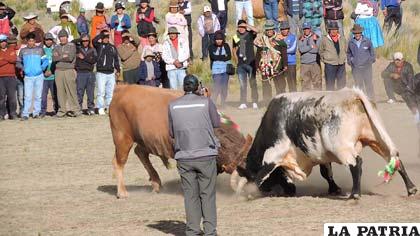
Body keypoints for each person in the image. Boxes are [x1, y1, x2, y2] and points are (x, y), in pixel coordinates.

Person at [168, 74, 220, 236]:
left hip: (184, 156)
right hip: (206, 154)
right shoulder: (206, 102)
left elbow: (171, 132)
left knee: (190, 196)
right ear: (198, 87)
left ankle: (192, 230)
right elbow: (216, 122)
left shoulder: (173, 105)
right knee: (207, 195)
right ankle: (210, 231)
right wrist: (206, 99)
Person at [254, 20, 288, 102]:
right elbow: (258, 53)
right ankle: (267, 101)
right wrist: (257, 66)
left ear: (273, 29)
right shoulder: (262, 39)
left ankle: (281, 101)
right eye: (268, 30)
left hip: (277, 65)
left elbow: (284, 53)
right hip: (265, 65)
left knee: (280, 85)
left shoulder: (279, 39)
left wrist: (285, 65)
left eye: (271, 29)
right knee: (266, 85)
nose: (269, 31)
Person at [17, 33, 48, 121]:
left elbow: (45, 61)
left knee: (38, 96)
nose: (31, 42)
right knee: (27, 96)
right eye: (29, 41)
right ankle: (25, 114)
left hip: (39, 76)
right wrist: (23, 69)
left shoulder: (40, 50)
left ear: (35, 41)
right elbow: (18, 62)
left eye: (33, 40)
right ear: (27, 41)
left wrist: (41, 68)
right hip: (28, 76)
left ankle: (36, 113)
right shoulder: (23, 51)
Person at [232, 20, 259, 109]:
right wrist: (236, 61)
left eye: (243, 27)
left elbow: (257, 30)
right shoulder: (236, 37)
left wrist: (247, 25)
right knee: (242, 84)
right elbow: (234, 49)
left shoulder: (250, 34)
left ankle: (254, 101)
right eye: (239, 27)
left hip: (250, 63)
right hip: (241, 64)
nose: (241, 29)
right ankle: (243, 102)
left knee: (253, 83)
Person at [93, 30, 120, 115]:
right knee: (101, 92)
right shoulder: (99, 46)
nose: (105, 39)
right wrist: (101, 34)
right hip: (101, 73)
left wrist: (118, 70)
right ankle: (100, 108)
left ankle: (109, 107)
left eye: (107, 38)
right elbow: (93, 41)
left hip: (111, 73)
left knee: (110, 92)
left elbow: (116, 59)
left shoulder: (112, 47)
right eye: (104, 38)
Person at [53, 29, 79, 118]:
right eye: (60, 37)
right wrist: (63, 56)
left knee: (71, 90)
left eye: (64, 37)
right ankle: (62, 110)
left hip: (69, 70)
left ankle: (75, 110)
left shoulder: (72, 46)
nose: (62, 39)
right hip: (58, 71)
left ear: (67, 37)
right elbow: (54, 58)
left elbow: (70, 58)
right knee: (60, 92)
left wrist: (60, 56)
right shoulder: (56, 47)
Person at [346, 24, 376, 100]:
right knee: (358, 85)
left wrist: (371, 60)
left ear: (361, 33)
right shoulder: (351, 42)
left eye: (358, 33)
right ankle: (361, 100)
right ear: (353, 33)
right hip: (356, 68)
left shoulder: (367, 41)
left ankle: (371, 99)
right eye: (355, 33)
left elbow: (372, 52)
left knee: (368, 84)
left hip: (367, 68)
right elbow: (348, 53)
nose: (357, 34)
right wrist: (350, 61)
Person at [319, 21, 346, 91]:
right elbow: (320, 51)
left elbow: (346, 49)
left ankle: (341, 100)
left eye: (335, 29)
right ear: (329, 30)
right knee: (330, 85)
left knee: (342, 85)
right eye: (332, 29)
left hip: (341, 64)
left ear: (337, 30)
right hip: (330, 64)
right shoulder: (324, 39)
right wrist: (325, 59)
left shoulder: (342, 38)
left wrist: (343, 57)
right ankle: (331, 101)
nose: (334, 31)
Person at [74, 33, 97, 115]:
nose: (85, 42)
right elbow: (72, 42)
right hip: (80, 73)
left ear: (89, 41)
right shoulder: (77, 49)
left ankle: (91, 108)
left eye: (87, 40)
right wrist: (80, 39)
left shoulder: (93, 50)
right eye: (83, 41)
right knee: (79, 92)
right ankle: (79, 108)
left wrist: (84, 58)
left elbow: (94, 60)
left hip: (90, 73)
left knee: (90, 92)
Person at [209, 30, 231, 108]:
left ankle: (223, 103)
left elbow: (229, 57)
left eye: (220, 39)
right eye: (217, 39)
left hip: (225, 70)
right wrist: (223, 57)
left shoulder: (226, 46)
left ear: (223, 39)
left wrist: (219, 58)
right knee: (217, 87)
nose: (219, 41)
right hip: (216, 70)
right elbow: (213, 57)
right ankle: (213, 103)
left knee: (224, 88)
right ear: (215, 39)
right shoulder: (211, 47)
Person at [298, 22, 322, 91]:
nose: (306, 30)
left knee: (317, 82)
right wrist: (311, 46)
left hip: (314, 63)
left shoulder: (316, 37)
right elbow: (301, 50)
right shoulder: (300, 38)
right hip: (304, 64)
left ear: (310, 29)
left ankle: (318, 98)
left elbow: (316, 50)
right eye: (304, 29)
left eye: (307, 29)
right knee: (305, 83)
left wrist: (307, 49)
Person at [40, 33, 58, 118]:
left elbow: (57, 62)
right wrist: (44, 72)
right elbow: (38, 63)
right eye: (47, 40)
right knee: (43, 96)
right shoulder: (41, 50)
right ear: (44, 40)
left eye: (50, 40)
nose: (48, 41)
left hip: (53, 76)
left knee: (55, 95)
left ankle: (57, 110)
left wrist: (51, 71)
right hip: (43, 77)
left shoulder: (56, 49)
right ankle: (43, 111)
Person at [0, 34, 17, 120]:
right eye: (1, 42)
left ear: (6, 42)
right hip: (1, 77)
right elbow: (9, 60)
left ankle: (12, 113)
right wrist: (8, 59)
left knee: (12, 97)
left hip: (11, 77)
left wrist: (3, 58)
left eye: (4, 41)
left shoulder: (11, 49)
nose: (2, 43)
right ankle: (1, 114)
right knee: (1, 97)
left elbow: (14, 59)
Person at [276, 21, 297, 92]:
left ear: (288, 29)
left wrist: (282, 51)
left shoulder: (293, 37)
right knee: (280, 83)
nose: (284, 30)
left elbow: (293, 49)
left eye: (285, 29)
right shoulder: (277, 38)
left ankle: (294, 99)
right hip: (280, 63)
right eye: (282, 29)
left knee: (292, 83)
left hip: (291, 63)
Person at [7, 35, 23, 116]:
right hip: (10, 76)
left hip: (20, 76)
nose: (12, 44)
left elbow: (21, 61)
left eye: (13, 43)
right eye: (10, 43)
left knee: (21, 96)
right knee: (11, 96)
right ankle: (11, 112)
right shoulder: (6, 51)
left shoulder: (20, 50)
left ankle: (22, 111)